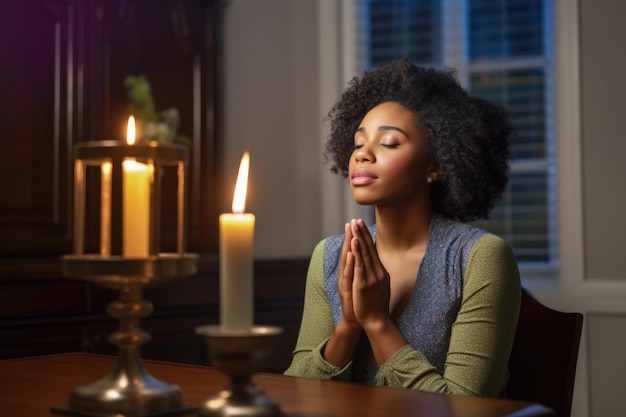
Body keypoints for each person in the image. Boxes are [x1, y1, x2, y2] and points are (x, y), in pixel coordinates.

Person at [283, 59, 521, 398]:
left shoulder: (481, 258)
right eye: (358, 142)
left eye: (390, 142)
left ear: (435, 166)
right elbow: (296, 391)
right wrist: (349, 326)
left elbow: (466, 407)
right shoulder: (330, 255)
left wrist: (378, 323)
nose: (362, 155)